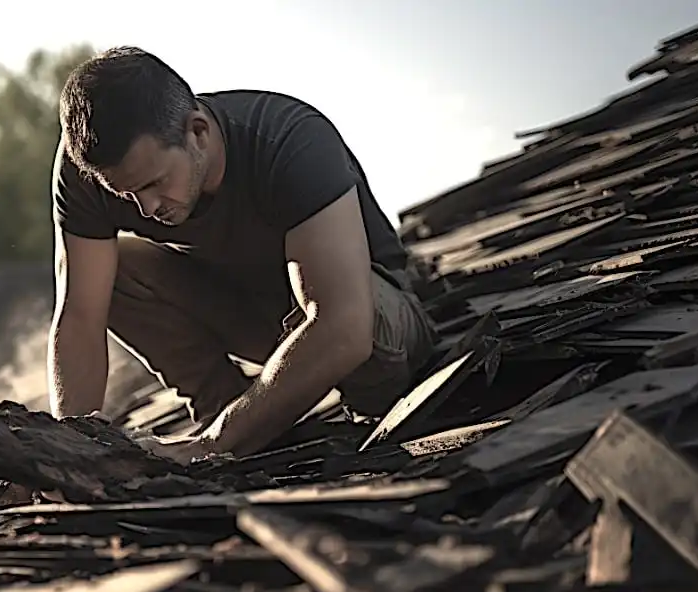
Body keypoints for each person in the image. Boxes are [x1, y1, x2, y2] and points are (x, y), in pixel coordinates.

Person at [47, 46, 437, 464]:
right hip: (258, 319)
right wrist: (67, 454)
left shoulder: (290, 140)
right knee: (109, 273)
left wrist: (213, 443)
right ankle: (225, 409)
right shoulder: (87, 173)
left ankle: (228, 435)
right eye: (124, 193)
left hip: (375, 319)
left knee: (354, 315)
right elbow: (80, 319)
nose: (145, 208)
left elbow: (343, 324)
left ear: (198, 132)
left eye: (156, 183)